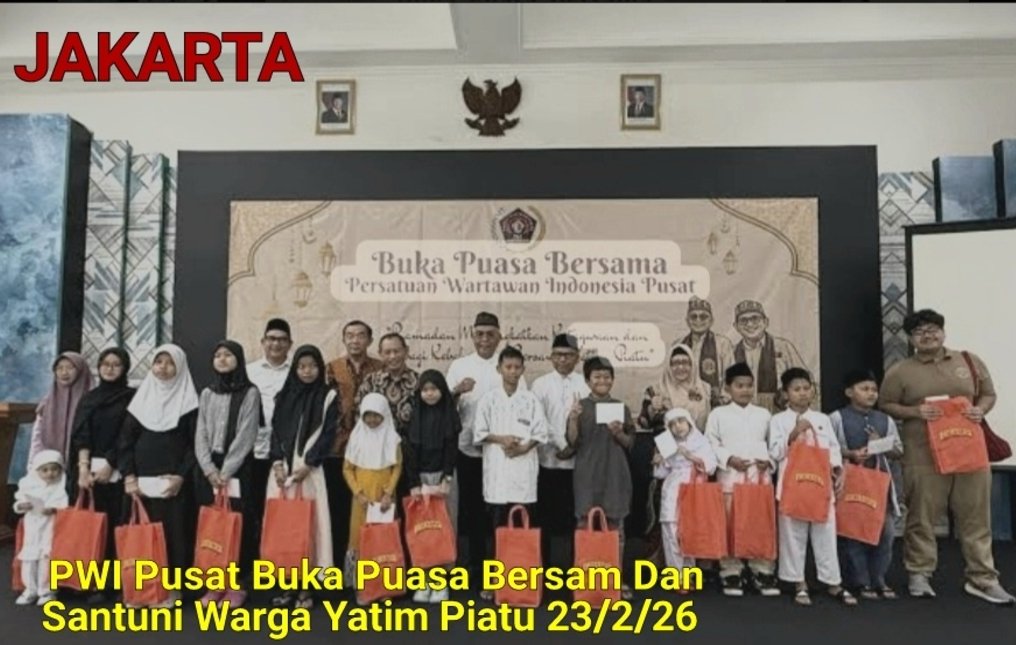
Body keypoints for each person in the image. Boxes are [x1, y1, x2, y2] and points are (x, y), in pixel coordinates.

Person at [879, 308, 1015, 604]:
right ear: (910, 339)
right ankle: (919, 574)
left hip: (969, 451)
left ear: (943, 331)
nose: (927, 335)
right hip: (923, 455)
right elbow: (886, 403)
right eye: (919, 332)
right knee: (922, 517)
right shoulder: (900, 371)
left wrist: (980, 409)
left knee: (976, 517)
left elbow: (988, 394)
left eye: (933, 329)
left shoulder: (968, 360)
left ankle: (983, 578)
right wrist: (915, 411)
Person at [446, 312, 526, 584]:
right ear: (472, 335)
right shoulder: (459, 365)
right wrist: (456, 392)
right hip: (468, 450)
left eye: (490, 334)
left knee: (500, 509)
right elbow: (444, 408)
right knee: (472, 509)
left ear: (499, 336)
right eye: (479, 334)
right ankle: (476, 566)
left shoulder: (508, 365)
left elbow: (523, 405)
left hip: (502, 452)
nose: (484, 339)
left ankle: (502, 567)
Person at [119, 344, 200, 607]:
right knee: (141, 536)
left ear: (180, 366)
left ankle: (170, 590)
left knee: (173, 536)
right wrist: (129, 477)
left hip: (172, 484)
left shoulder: (189, 403)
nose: (163, 368)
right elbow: (125, 443)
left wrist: (181, 477)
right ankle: (140, 589)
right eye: (158, 362)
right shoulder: (140, 401)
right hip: (140, 483)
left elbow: (195, 445)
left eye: (169, 363)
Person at [769, 367, 855, 607]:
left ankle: (833, 582)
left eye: (806, 388)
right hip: (791, 485)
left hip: (820, 484)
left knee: (825, 532)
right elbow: (774, 452)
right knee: (792, 534)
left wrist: (837, 470)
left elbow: (833, 449)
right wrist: (794, 433)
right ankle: (798, 582)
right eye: (796, 389)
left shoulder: (822, 419)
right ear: (785, 393)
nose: (802, 393)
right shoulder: (778, 420)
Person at [474, 345, 548, 602]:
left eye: (517, 367)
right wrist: (502, 439)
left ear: (523, 369)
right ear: (499, 369)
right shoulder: (489, 400)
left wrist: (524, 447)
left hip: (524, 476)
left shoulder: (530, 400)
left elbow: (541, 432)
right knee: (495, 534)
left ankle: (524, 582)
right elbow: (479, 433)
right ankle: (493, 583)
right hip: (497, 477)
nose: (513, 371)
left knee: (524, 532)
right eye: (508, 367)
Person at [267, 345, 338, 609]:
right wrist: (277, 463)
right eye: (302, 366)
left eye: (312, 366)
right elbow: (276, 432)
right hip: (282, 474)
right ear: (295, 369)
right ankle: (287, 585)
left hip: (310, 472)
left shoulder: (328, 396)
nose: (307, 371)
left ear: (320, 367)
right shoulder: (284, 396)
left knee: (308, 529)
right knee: (285, 530)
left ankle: (306, 590)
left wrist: (309, 464)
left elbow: (329, 434)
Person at [193, 341, 262, 608]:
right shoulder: (207, 393)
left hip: (238, 468)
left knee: (237, 525)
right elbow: (200, 431)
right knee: (213, 526)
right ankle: (215, 584)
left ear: (239, 359)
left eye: (228, 355)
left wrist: (226, 471)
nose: (222, 359)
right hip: (209, 468)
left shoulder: (250, 392)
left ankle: (236, 585)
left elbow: (247, 434)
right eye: (217, 355)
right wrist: (209, 468)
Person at [704, 362, 778, 597]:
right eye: (739, 386)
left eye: (748, 386)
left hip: (759, 479)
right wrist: (729, 459)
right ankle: (731, 570)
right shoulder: (718, 414)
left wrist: (769, 461)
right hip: (730, 479)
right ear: (728, 388)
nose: (745, 390)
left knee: (759, 524)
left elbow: (774, 444)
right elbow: (710, 443)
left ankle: (762, 569)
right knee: (729, 524)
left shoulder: (764, 414)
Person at [68, 348, 135, 604]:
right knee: (86, 527)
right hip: (88, 472)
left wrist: (110, 463)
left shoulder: (131, 397)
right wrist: (83, 468)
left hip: (116, 471)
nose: (110, 369)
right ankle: (82, 582)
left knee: (112, 527)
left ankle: (111, 585)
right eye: (105, 364)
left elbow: (127, 435)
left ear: (124, 368)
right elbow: (81, 434)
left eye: (116, 364)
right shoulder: (90, 398)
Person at [567, 356, 636, 600]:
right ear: (588, 381)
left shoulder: (621, 407)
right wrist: (573, 418)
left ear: (613, 380)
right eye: (597, 377)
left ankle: (615, 581)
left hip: (615, 475)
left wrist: (618, 433)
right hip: (587, 475)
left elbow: (630, 444)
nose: (602, 381)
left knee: (616, 529)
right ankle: (584, 581)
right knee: (584, 526)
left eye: (607, 377)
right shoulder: (580, 407)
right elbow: (572, 442)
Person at [830, 368, 903, 601]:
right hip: (851, 482)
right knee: (854, 534)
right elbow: (830, 448)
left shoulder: (885, 419)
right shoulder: (837, 418)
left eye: (874, 390)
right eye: (864, 389)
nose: (871, 394)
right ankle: (860, 581)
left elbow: (898, 451)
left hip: (880, 484)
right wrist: (850, 454)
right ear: (849, 392)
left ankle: (879, 578)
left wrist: (880, 444)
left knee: (886, 533)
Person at [638, 343, 712, 565]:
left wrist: (697, 454)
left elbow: (713, 420)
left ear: (692, 364)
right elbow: (643, 422)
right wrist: (653, 409)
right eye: (675, 363)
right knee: (665, 514)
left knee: (694, 515)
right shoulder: (656, 390)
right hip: (666, 453)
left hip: (696, 455)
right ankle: (664, 564)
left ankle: (695, 566)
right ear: (669, 366)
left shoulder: (706, 389)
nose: (680, 367)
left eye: (685, 362)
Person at [326, 320, 382, 570]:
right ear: (343, 339)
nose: (355, 340)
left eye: (360, 335)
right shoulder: (331, 368)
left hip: (372, 454)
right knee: (338, 511)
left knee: (370, 511)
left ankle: (371, 569)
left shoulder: (380, 368)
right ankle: (340, 570)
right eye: (349, 335)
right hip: (338, 451)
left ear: (369, 340)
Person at [531, 333, 589, 571]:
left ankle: (575, 574)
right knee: (544, 521)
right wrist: (560, 445)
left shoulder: (585, 384)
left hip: (578, 466)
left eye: (568, 355)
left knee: (575, 521)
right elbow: (538, 420)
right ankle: (546, 574)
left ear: (577, 358)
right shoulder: (540, 384)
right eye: (558, 355)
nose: (563, 359)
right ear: (551, 357)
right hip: (547, 462)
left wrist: (572, 448)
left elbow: (588, 421)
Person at [403, 370, 460, 603]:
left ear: (442, 391)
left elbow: (452, 450)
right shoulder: (414, 416)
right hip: (420, 480)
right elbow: (409, 452)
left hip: (443, 480)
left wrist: (447, 479)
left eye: (434, 389)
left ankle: (441, 582)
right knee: (422, 531)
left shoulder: (450, 416)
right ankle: (423, 581)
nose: (429, 394)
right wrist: (414, 484)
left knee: (443, 530)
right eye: (425, 390)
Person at [342, 393, 403, 597]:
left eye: (377, 415)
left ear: (385, 414)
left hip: (384, 499)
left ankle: (386, 586)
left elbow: (397, 467)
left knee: (384, 540)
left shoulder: (392, 439)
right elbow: (347, 469)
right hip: (362, 500)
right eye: (368, 415)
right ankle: (363, 587)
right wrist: (358, 493)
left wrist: (388, 493)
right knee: (360, 539)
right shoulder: (356, 437)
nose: (372, 420)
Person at [246, 318, 293, 570]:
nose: (276, 344)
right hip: (252, 451)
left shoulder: (296, 373)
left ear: (290, 344)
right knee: (253, 508)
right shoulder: (249, 371)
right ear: (263, 342)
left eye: (282, 340)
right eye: (271, 339)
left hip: (284, 455)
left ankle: (280, 563)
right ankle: (254, 565)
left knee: (281, 510)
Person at [651, 408, 717, 586]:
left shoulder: (701, 442)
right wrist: (658, 460)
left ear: (689, 422)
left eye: (681, 421)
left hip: (694, 488)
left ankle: (689, 574)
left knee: (690, 530)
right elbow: (661, 473)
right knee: (671, 529)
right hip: (673, 488)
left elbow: (711, 467)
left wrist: (690, 456)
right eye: (672, 424)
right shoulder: (666, 443)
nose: (678, 427)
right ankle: (676, 575)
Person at [13, 449, 68, 606]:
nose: (50, 473)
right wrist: (22, 506)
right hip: (32, 526)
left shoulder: (60, 486)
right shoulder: (28, 484)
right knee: (29, 558)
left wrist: (53, 509)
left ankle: (47, 591)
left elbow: (63, 505)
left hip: (51, 526)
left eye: (54, 469)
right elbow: (18, 502)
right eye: (45, 470)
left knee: (47, 558)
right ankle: (30, 589)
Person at [731, 300, 807, 413]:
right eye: (743, 320)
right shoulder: (731, 353)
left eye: (755, 318)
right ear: (736, 326)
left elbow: (806, 382)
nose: (750, 324)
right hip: (741, 415)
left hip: (778, 415)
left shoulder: (783, 348)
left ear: (766, 322)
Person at [29, 352, 93, 463]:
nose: (64, 372)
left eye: (70, 368)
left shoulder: (93, 400)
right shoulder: (48, 402)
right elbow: (37, 438)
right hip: (51, 467)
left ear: (81, 370)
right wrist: (33, 464)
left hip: (84, 464)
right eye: (59, 368)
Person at [677, 298, 735, 407]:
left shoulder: (722, 343)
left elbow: (730, 376)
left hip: (715, 404)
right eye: (694, 316)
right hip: (685, 403)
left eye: (703, 316)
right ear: (687, 320)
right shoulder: (679, 345)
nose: (698, 320)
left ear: (711, 320)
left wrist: (723, 401)